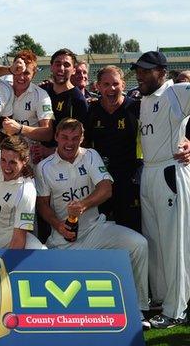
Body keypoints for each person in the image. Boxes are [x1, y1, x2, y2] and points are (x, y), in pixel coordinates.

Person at [35, 118, 150, 329]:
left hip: (96, 229)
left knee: (138, 244)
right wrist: (59, 225)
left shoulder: (90, 155)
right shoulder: (43, 167)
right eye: (65, 138)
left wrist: (84, 205)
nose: (70, 143)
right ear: (56, 137)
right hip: (63, 238)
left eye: (75, 138)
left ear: (82, 138)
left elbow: (106, 188)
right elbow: (42, 205)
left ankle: (138, 309)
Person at [131, 51, 190, 328]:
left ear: (162, 71)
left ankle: (176, 309)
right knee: (153, 241)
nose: (139, 75)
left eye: (145, 70)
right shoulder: (143, 98)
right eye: (138, 70)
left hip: (170, 169)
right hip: (149, 172)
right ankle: (162, 301)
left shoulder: (175, 92)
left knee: (172, 244)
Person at [84, 65, 141, 232]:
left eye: (115, 84)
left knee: (130, 229)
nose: (111, 88)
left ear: (123, 85)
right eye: (106, 84)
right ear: (98, 86)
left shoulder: (136, 108)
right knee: (98, 230)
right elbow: (84, 143)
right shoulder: (92, 110)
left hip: (129, 179)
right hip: (99, 180)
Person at [31, 49, 89, 164]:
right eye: (58, 64)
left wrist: (50, 151)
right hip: (37, 159)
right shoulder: (42, 91)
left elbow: (82, 140)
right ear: (51, 67)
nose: (61, 68)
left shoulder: (78, 100)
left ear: (73, 70)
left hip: (64, 162)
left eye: (66, 65)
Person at [1, 50, 54, 146]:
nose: (21, 77)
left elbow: (48, 133)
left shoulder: (41, 95)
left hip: (28, 154)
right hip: (1, 149)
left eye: (26, 73)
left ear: (33, 74)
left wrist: (20, 128)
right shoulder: (2, 88)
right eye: (18, 71)